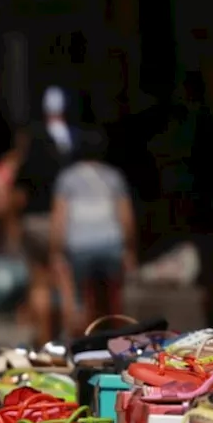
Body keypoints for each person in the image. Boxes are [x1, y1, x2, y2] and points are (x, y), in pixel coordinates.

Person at [50, 133, 137, 336]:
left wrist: (55, 251)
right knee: (114, 299)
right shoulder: (114, 177)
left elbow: (59, 218)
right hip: (111, 245)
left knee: (80, 299)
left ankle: (82, 342)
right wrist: (130, 249)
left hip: (79, 247)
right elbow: (126, 217)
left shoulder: (67, 178)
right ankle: (120, 338)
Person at [15, 87, 82, 343]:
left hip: (32, 221)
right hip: (56, 221)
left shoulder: (32, 147)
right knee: (64, 279)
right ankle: (70, 340)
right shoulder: (66, 146)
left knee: (39, 283)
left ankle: (44, 342)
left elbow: (18, 192)